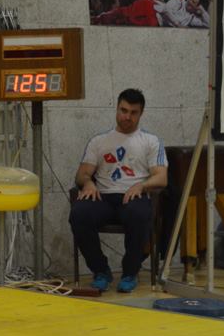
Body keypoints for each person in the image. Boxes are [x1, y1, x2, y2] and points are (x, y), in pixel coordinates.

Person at [69, 89, 167, 293]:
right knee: (79, 214)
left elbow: (161, 177)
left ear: (141, 114)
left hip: (133, 196)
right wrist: (87, 183)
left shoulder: (151, 141)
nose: (127, 117)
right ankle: (101, 270)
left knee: (138, 213)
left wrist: (141, 185)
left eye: (133, 112)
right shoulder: (99, 141)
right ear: (116, 108)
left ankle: (130, 272)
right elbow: (82, 174)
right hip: (102, 196)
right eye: (123, 110)